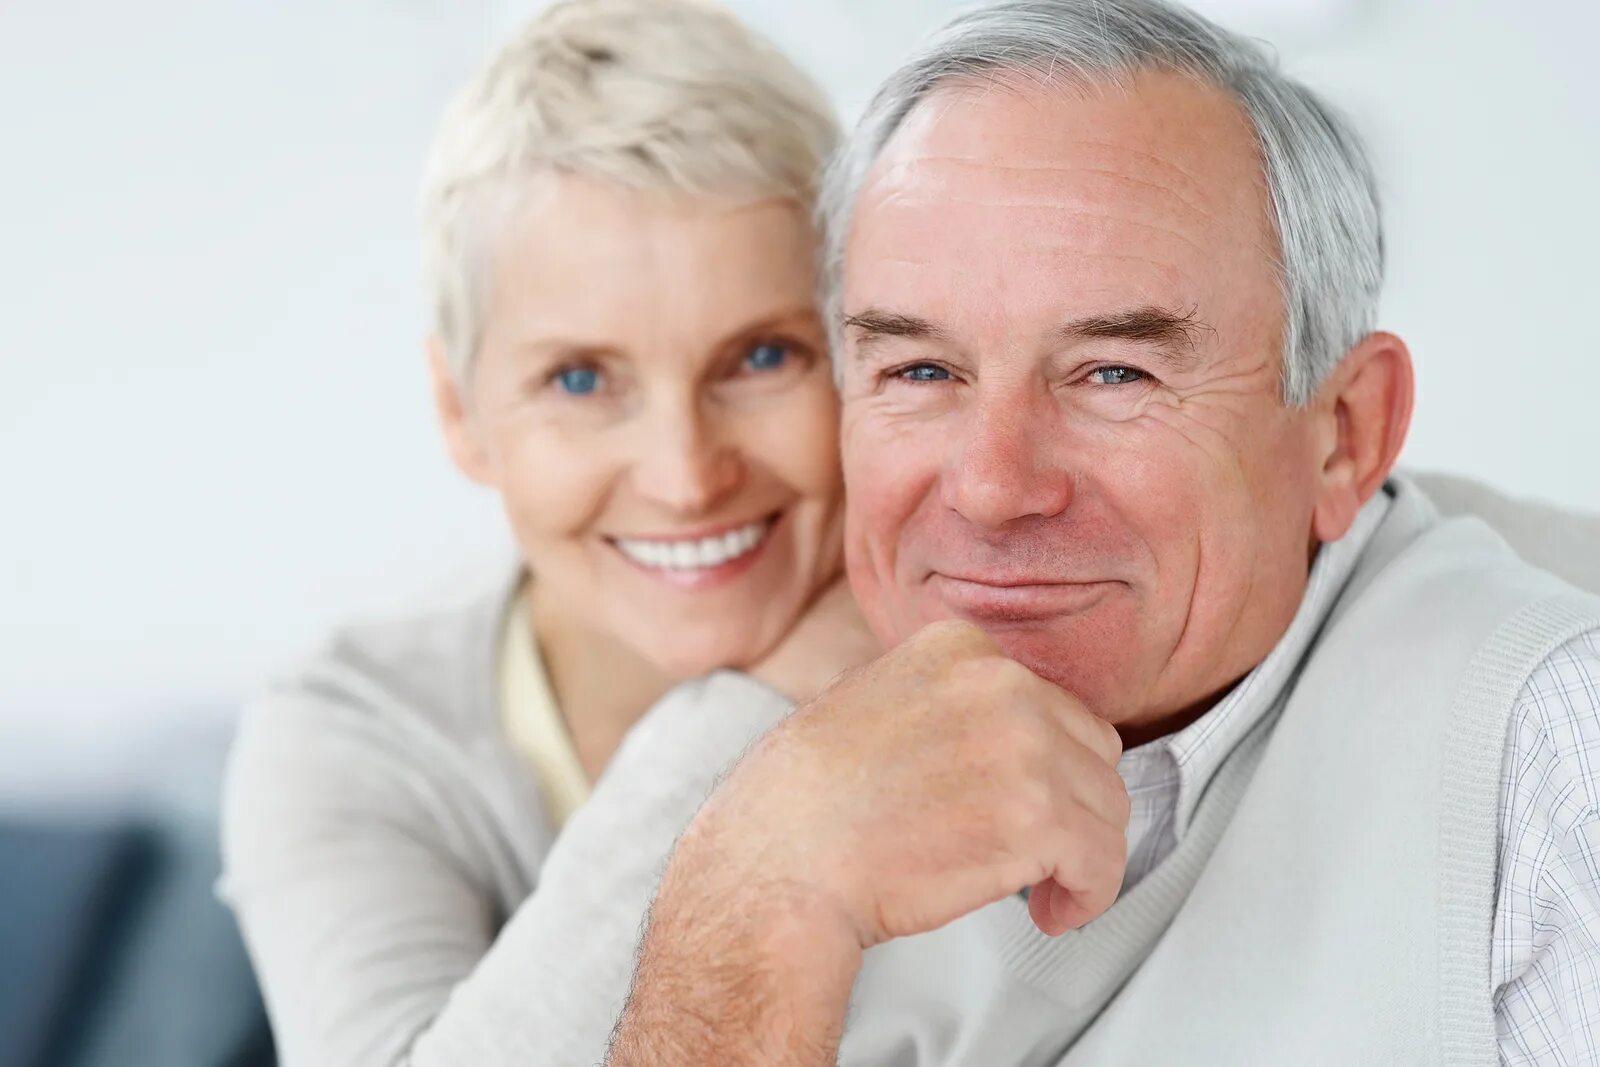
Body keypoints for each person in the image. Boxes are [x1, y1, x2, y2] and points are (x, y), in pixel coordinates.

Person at [603, 1, 1600, 1064]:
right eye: (921, 371)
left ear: (1344, 435)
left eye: (1114, 373)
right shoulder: (743, 763)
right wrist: (752, 915)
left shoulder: (1552, 766)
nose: (991, 489)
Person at [218, 2, 876, 1063]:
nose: (685, 476)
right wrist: (760, 708)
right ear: (459, 411)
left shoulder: (985, 651)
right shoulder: (357, 733)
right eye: (580, 378)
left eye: (761, 357)